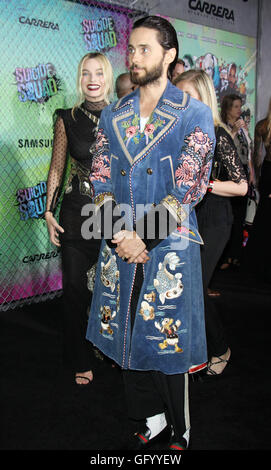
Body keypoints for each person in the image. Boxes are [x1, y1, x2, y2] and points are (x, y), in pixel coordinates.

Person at [85, 16, 215, 451]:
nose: (134, 57)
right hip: (119, 242)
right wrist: (120, 234)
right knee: (124, 334)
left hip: (168, 247)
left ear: (169, 55)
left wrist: (142, 237)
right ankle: (152, 417)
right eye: (132, 49)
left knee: (166, 339)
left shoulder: (193, 113)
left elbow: (188, 188)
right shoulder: (114, 113)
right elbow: (99, 181)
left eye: (144, 49)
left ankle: (180, 428)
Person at [45, 52, 114, 385]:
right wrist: (48, 210)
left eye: (99, 72)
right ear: (80, 77)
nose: (92, 79)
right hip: (76, 212)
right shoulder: (67, 118)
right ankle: (79, 356)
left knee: (111, 288)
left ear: (108, 77)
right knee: (73, 288)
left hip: (115, 215)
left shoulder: (125, 116)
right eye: (86, 72)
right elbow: (57, 166)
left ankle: (110, 346)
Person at [174, 70, 248, 375]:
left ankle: (221, 349)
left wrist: (206, 185)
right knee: (183, 287)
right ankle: (195, 349)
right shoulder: (180, 133)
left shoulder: (217, 134)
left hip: (215, 219)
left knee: (194, 288)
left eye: (189, 96)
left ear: (204, 97)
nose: (183, 102)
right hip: (188, 217)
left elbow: (242, 186)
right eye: (179, 96)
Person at [219, 94, 253, 269]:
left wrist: (252, 171)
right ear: (227, 108)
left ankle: (235, 255)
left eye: (240, 107)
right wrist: (233, 131)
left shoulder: (242, 127)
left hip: (244, 173)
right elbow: (224, 148)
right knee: (228, 216)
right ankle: (224, 256)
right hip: (228, 175)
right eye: (236, 107)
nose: (239, 110)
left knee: (240, 217)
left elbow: (248, 150)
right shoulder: (222, 126)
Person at [245, 98, 271, 282]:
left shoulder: (263, 125)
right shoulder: (263, 126)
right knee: (263, 218)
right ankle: (258, 265)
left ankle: (256, 265)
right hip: (268, 173)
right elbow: (255, 154)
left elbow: (256, 155)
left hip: (267, 173)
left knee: (263, 217)